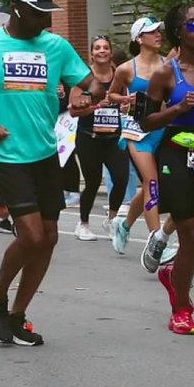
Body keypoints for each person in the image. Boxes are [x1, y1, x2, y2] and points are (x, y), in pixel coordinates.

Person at [0, 0, 101, 346]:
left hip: (46, 151)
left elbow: (93, 83)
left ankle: (17, 315)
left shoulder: (56, 46)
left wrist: (85, 99)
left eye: (48, 13)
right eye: (38, 13)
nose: (45, 21)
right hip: (6, 152)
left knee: (47, 239)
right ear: (16, 9)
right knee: (30, 234)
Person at [138, 1, 194, 333]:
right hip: (177, 154)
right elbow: (146, 121)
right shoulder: (166, 72)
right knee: (191, 235)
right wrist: (176, 108)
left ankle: (172, 271)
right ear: (178, 30)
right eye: (193, 25)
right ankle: (182, 309)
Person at [111, 16, 169, 264]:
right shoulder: (126, 69)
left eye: (159, 31)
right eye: (152, 32)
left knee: (150, 185)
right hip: (136, 132)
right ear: (139, 38)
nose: (158, 35)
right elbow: (111, 94)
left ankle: (123, 224)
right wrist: (125, 100)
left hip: (163, 130)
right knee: (152, 181)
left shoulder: (168, 65)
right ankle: (157, 241)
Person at [73, 35, 129, 244]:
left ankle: (111, 219)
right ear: (92, 53)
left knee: (121, 177)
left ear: (111, 51)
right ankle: (83, 223)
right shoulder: (83, 77)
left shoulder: (119, 75)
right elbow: (72, 111)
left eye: (106, 47)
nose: (102, 51)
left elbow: (127, 100)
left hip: (114, 137)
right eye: (97, 48)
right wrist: (95, 106)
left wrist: (124, 105)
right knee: (93, 181)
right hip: (89, 137)